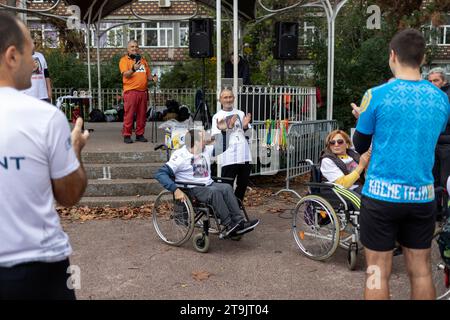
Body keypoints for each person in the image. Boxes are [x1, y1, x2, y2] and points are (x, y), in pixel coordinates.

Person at [351, 29, 450, 300]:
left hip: (381, 196)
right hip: (422, 196)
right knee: (420, 271)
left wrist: (363, 118)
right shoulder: (441, 98)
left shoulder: (376, 95)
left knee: (376, 271)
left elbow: (359, 146)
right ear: (423, 58)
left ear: (392, 55)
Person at [0, 12, 89, 300]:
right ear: (12, 56)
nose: (33, 62)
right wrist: (74, 150)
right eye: (30, 53)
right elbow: (68, 195)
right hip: (40, 267)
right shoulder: (45, 117)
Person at [155, 129, 259, 237]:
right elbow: (160, 174)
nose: (207, 139)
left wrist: (224, 131)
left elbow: (223, 146)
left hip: (207, 184)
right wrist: (175, 189)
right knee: (214, 192)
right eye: (203, 138)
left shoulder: (205, 150)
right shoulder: (180, 156)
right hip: (192, 188)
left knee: (227, 187)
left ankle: (239, 222)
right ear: (196, 142)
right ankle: (229, 224)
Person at [211, 89, 252, 203]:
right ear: (220, 100)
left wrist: (244, 126)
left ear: (234, 98)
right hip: (229, 156)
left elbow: (248, 134)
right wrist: (228, 127)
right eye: (225, 97)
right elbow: (216, 138)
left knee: (242, 185)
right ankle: (226, 212)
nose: (228, 99)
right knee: (226, 186)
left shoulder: (240, 113)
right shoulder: (217, 116)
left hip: (244, 155)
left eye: (230, 97)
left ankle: (237, 209)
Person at [119, 40, 157, 144]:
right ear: (128, 49)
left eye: (136, 46)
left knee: (142, 115)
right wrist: (133, 69)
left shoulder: (143, 61)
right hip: (131, 91)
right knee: (129, 114)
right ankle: (127, 135)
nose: (134, 48)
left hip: (143, 92)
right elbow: (125, 74)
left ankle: (139, 134)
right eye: (132, 46)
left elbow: (148, 75)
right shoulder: (124, 60)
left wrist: (153, 78)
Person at [428, 68, 450, 205]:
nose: (432, 84)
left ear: (444, 81)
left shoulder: (446, 97)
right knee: (432, 180)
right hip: (432, 144)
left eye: (436, 80)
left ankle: (446, 217)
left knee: (445, 181)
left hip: (446, 145)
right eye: (429, 81)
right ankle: (435, 214)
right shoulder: (429, 97)